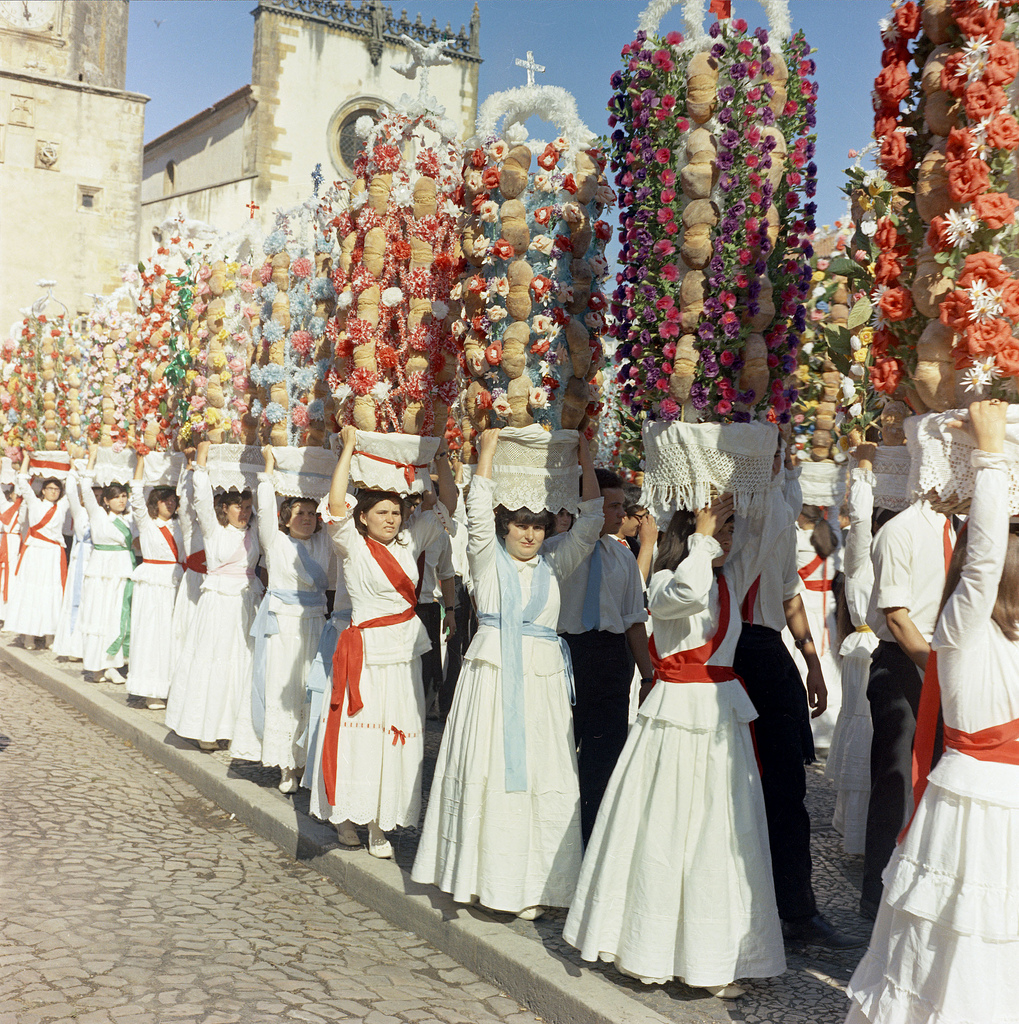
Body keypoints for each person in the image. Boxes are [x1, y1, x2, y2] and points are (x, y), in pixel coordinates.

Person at [564, 469, 795, 998]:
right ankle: (649, 948)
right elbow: (686, 594)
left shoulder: (727, 581)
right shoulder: (668, 580)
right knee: (667, 831)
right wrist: (703, 535)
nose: (729, 538)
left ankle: (713, 955)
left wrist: (756, 480)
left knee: (720, 833)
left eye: (731, 529)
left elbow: (766, 537)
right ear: (692, 533)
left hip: (719, 717)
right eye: (721, 528)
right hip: (676, 719)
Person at [846, 399, 1019, 1023]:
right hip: (974, 797)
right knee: (957, 931)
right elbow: (984, 555)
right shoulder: (964, 625)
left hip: (998, 797)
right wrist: (991, 455)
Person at [412, 428, 602, 919]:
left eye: (537, 525)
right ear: (505, 526)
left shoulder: (555, 563)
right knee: (492, 773)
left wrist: (584, 460)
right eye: (520, 525)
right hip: (494, 683)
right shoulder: (486, 557)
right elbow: (476, 512)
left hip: (542, 687)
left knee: (544, 776)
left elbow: (591, 524)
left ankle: (539, 886)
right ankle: (487, 882)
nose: (529, 534)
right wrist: (488, 455)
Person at [732, 444, 858, 949]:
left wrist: (812, 663)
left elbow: (789, 594)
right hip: (724, 655)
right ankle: (740, 911)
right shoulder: (723, 517)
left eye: (779, 454)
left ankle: (799, 912)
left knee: (787, 791)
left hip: (768, 654)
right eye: (768, 454)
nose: (777, 466)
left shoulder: (782, 517)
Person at [317, 426, 452, 857]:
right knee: (363, 736)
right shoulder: (352, 546)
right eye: (382, 513)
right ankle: (347, 814)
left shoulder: (410, 541)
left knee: (397, 735)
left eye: (396, 512)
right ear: (364, 517)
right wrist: (349, 449)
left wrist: (437, 461)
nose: (391, 519)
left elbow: (445, 506)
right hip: (366, 655)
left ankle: (380, 822)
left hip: (404, 652)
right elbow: (336, 504)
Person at [860, 468, 954, 919]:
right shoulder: (900, 531)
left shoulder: (962, 529)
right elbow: (897, 617)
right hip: (906, 662)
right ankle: (877, 891)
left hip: (950, 665)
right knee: (897, 777)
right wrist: (938, 671)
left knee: (943, 776)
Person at [546, 467, 653, 845]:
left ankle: (593, 841)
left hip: (610, 659)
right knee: (558, 753)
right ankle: (554, 841)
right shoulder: (552, 552)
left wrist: (648, 676)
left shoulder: (622, 558)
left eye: (623, 506)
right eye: (613, 506)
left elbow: (634, 622)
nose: (622, 515)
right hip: (565, 656)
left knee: (604, 757)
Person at [233, 447, 332, 794]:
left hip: (315, 624)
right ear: (286, 518)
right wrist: (269, 470)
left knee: (309, 690)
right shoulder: (275, 542)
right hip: (283, 627)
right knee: (284, 691)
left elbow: (337, 506)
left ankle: (305, 761)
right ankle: (286, 766)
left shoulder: (324, 543)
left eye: (311, 513)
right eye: (299, 513)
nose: (307, 518)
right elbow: (264, 508)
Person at [164, 441, 262, 751]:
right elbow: (201, 499)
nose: (243, 513)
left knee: (240, 663)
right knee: (214, 661)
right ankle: (205, 729)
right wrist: (201, 464)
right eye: (237, 507)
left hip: (247, 603)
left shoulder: (255, 533)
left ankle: (232, 728)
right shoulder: (213, 530)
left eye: (247, 507)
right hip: (218, 602)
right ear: (225, 508)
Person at [825, 444, 879, 856]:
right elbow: (859, 519)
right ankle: (860, 834)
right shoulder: (862, 557)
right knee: (866, 734)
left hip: (881, 649)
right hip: (868, 651)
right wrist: (863, 470)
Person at [125, 455, 183, 711]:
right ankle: (151, 691)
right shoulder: (147, 524)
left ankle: (172, 688)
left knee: (174, 636)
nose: (170, 504)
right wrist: (141, 460)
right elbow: (136, 495)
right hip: (152, 585)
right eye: (164, 500)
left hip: (176, 582)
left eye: (173, 500)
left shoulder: (182, 525)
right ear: (155, 503)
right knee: (152, 634)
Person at [78, 450, 137, 680]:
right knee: (99, 615)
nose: (121, 500)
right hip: (101, 571)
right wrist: (91, 459)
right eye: (116, 497)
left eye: (124, 496)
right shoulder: (98, 515)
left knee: (116, 617)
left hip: (121, 570)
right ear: (105, 500)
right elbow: (85, 489)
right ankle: (96, 665)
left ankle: (113, 664)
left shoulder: (129, 519)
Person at [5, 456, 69, 649]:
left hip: (53, 553)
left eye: (57, 489)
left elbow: (73, 488)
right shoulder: (34, 502)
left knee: (51, 592)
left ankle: (50, 635)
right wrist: (26, 457)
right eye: (50, 488)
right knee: (31, 592)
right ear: (43, 490)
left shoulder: (62, 506)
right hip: (34, 552)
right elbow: (22, 480)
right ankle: (29, 636)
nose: (54, 492)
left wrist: (71, 464)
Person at [52, 467, 94, 662]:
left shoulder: (102, 515)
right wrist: (74, 469)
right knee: (75, 601)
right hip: (80, 561)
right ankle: (72, 646)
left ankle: (87, 649)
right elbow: (70, 490)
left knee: (91, 604)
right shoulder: (80, 512)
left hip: (96, 560)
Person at [0, 480, 25, 626]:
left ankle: (10, 614)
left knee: (13, 578)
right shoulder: (6, 506)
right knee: (3, 576)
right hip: (5, 542)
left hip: (16, 544)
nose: (17, 496)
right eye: (16, 493)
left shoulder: (25, 509)